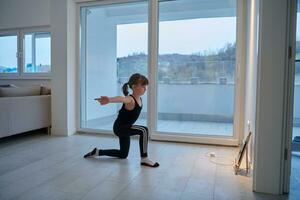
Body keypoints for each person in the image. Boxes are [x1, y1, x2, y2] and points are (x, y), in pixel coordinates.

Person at [84, 73, 159, 168]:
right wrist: (109, 100)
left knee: (123, 154)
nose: (145, 88)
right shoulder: (130, 99)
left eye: (146, 86)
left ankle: (97, 152)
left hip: (125, 128)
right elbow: (121, 98)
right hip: (120, 128)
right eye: (143, 86)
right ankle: (144, 158)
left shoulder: (139, 99)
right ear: (134, 87)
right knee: (144, 130)